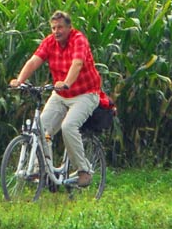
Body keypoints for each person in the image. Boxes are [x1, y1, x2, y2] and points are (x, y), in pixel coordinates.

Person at [8, 11, 103, 187]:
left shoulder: (78, 40)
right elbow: (34, 61)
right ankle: (42, 169)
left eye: (60, 27)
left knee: (69, 126)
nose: (56, 31)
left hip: (85, 94)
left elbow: (77, 63)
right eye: (53, 28)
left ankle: (83, 170)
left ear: (69, 27)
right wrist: (19, 81)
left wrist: (66, 82)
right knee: (40, 128)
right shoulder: (50, 42)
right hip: (61, 95)